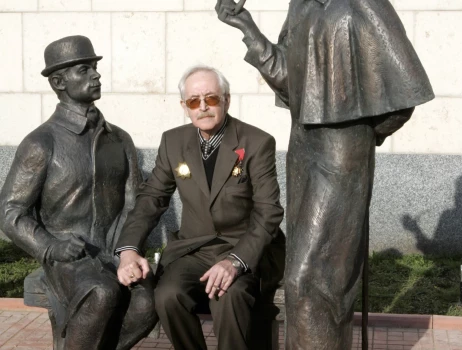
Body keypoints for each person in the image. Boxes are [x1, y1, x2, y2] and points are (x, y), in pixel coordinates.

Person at [215, 0, 435, 349]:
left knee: (311, 279)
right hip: (303, 146)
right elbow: (290, 81)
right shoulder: (300, 5)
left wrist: (361, 134)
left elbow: (404, 93)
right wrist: (245, 25)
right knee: (303, 280)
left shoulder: (365, 4)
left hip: (343, 153)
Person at [0, 35, 157, 350]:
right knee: (102, 293)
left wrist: (128, 250)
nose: (96, 75)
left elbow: (133, 204)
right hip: (66, 256)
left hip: (113, 251)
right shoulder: (42, 142)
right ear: (59, 81)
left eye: (94, 68)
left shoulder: (120, 140)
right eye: (83, 70)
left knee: (148, 302)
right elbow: (10, 212)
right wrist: (52, 247)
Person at [114, 65, 285, 350]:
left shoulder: (257, 142)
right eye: (194, 101)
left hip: (242, 249)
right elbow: (151, 199)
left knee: (228, 298)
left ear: (226, 100)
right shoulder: (173, 142)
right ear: (185, 106)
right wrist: (129, 249)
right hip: (193, 250)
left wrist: (234, 262)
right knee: (168, 296)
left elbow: (269, 211)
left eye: (211, 99)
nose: (203, 107)